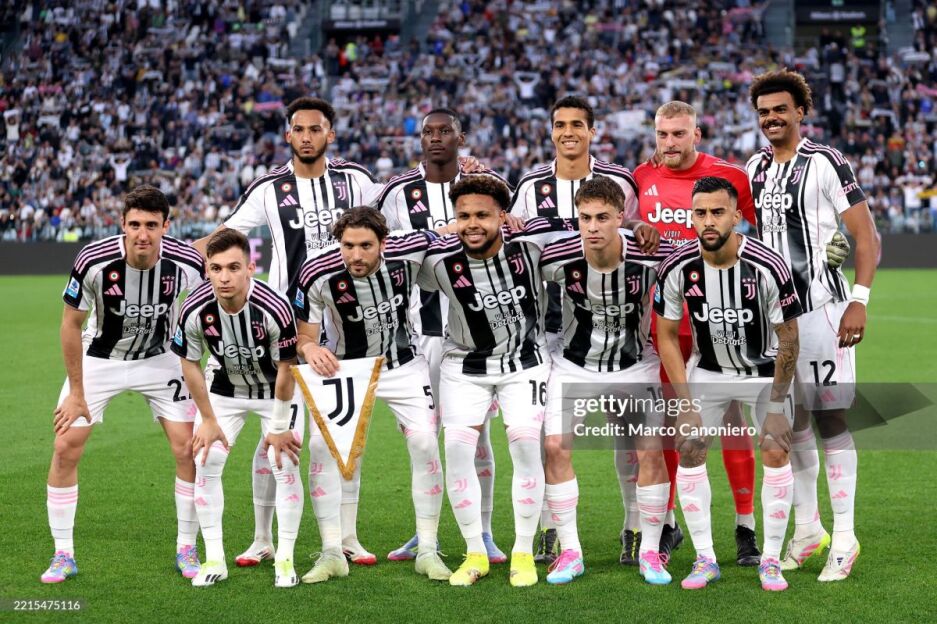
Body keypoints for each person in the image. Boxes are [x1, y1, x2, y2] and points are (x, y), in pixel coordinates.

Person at [196, 96, 384, 567]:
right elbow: (222, 237)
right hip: (284, 328)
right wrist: (163, 251)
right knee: (276, 434)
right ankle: (262, 538)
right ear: (287, 135)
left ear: (330, 134)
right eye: (298, 129)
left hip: (345, 324)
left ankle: (347, 536)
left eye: (315, 129)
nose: (306, 137)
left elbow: (397, 214)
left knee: (344, 435)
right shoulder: (268, 188)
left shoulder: (357, 181)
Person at [508, 95, 659, 564]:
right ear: (551, 131)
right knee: (549, 439)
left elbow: (635, 231)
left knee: (628, 435)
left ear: (593, 131)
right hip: (552, 332)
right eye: (560, 125)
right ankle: (553, 528)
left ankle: (636, 527)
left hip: (618, 326)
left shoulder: (619, 180)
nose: (568, 132)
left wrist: (644, 228)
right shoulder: (530, 184)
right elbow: (517, 241)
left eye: (577, 124)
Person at [747, 70, 879, 581]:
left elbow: (865, 235)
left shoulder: (825, 161)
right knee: (792, 421)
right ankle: (808, 529)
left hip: (823, 308)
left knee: (830, 419)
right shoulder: (754, 168)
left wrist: (858, 301)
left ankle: (845, 537)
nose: (771, 118)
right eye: (764, 112)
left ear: (800, 111)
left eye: (780, 109)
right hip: (775, 318)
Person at [417, 175, 578, 587]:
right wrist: (436, 232)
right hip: (463, 365)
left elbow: (584, 227)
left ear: (503, 217)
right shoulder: (438, 259)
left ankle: (522, 552)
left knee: (524, 445)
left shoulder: (532, 246)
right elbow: (389, 247)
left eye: (482, 216)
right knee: (457, 450)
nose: (472, 224)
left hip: (525, 363)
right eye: (464, 216)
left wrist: (638, 229)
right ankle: (475, 552)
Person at [41, 185, 204, 583]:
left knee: (189, 450)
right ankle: (63, 553)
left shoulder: (186, 263)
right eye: (134, 224)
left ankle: (187, 546)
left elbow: (206, 313)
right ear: (122, 224)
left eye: (151, 225)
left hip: (161, 359)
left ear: (166, 226)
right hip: (100, 358)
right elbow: (70, 324)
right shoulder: (93, 260)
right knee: (64, 447)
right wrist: (76, 393)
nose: (142, 234)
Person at [655, 176, 803, 591]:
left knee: (775, 448)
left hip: (764, 372)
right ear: (690, 216)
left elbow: (789, 338)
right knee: (689, 447)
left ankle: (770, 560)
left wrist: (777, 408)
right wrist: (686, 404)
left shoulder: (768, 266)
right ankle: (705, 559)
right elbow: (666, 336)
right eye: (700, 213)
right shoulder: (677, 266)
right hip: (710, 371)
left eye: (718, 212)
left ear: (736, 216)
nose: (708, 221)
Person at [378, 107, 509, 563]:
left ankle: (485, 532)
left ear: (460, 137)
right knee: (422, 438)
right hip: (419, 334)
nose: (436, 138)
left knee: (477, 436)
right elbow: (381, 247)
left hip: (476, 335)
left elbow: (509, 227)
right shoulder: (396, 193)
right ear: (420, 139)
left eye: (445, 131)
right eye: (428, 132)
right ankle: (425, 531)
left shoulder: (483, 183)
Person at [293, 207, 450, 583]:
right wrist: (311, 349)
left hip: (403, 364)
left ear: (384, 243)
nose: (356, 255)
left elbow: (446, 231)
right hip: (344, 368)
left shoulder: (408, 252)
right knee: (322, 448)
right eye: (348, 246)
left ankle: (428, 549)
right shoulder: (317, 273)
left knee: (426, 442)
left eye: (366, 245)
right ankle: (333, 551)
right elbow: (304, 337)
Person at [634, 100, 760, 566]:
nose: (670, 143)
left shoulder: (729, 176)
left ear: (696, 135)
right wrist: (637, 224)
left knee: (733, 422)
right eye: (662, 134)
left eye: (679, 134)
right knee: (674, 423)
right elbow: (620, 221)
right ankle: (669, 524)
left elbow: (761, 233)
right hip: (665, 324)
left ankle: (745, 526)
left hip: (721, 322)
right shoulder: (641, 176)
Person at [538, 176, 675, 585]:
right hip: (574, 365)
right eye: (585, 218)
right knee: (555, 446)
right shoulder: (557, 257)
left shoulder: (652, 256)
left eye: (602, 218)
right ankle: (570, 552)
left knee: (651, 451)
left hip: (635, 364)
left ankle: (650, 552)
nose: (593, 226)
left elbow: (696, 260)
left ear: (620, 218)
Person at [172, 229, 305, 588]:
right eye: (216, 268)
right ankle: (214, 558)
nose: (224, 277)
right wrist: (208, 419)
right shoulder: (194, 307)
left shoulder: (274, 306)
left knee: (283, 460)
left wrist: (279, 425)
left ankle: (285, 559)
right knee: (206, 458)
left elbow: (287, 369)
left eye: (233, 267)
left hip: (275, 391)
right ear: (208, 270)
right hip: (225, 389)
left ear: (250, 268)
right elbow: (190, 363)